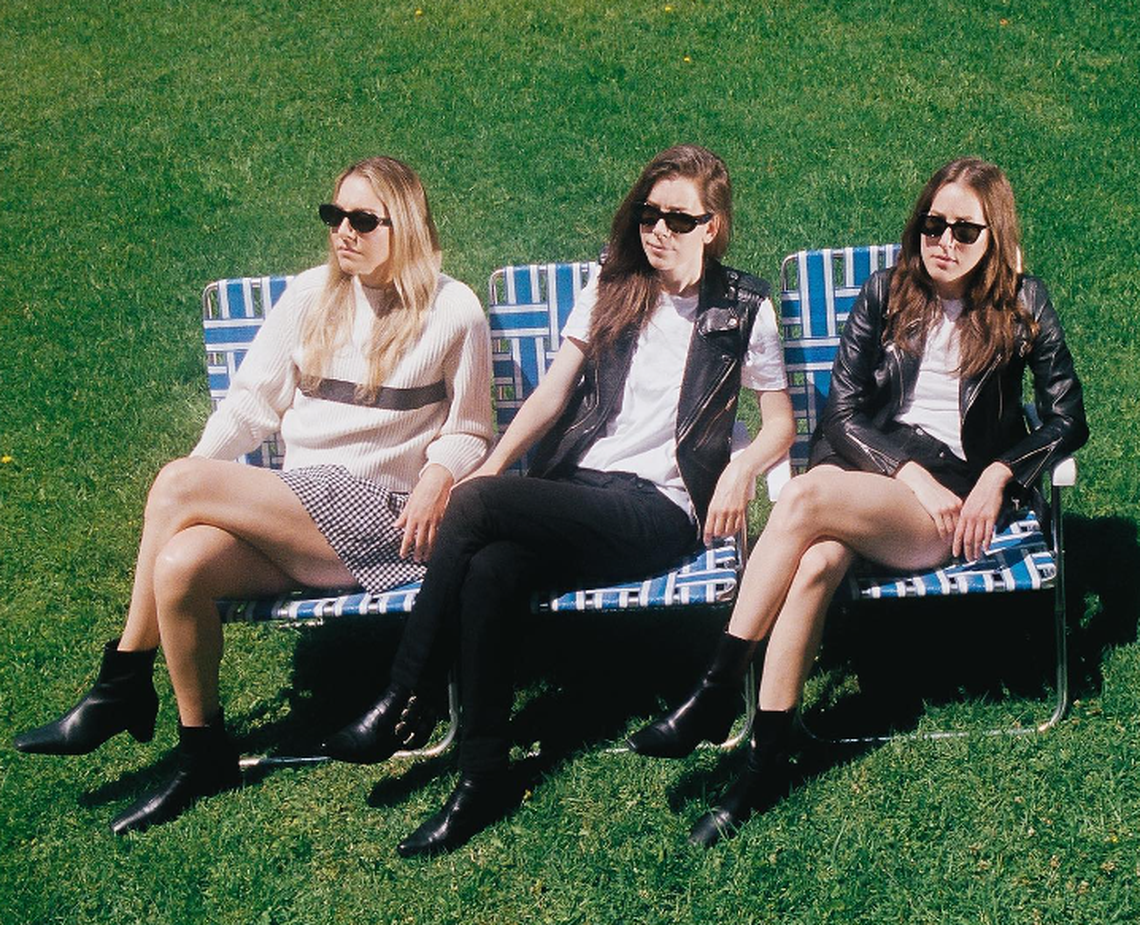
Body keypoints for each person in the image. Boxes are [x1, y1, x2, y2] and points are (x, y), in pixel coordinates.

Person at [322, 144, 796, 856]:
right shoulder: (614, 284)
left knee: (474, 507)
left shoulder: (745, 307)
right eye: (647, 213)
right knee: (490, 568)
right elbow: (550, 394)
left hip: (660, 510)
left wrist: (743, 464)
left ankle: (402, 696)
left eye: (677, 218)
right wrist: (497, 464)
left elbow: (781, 420)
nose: (658, 230)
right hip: (580, 489)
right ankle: (483, 776)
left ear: (713, 226)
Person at [13, 156, 493, 835]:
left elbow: (472, 430)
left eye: (362, 220)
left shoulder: (453, 309)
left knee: (178, 481)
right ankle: (202, 749)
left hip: (382, 521)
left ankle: (120, 684)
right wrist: (198, 492)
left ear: (406, 224)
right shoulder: (309, 295)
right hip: (299, 512)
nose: (343, 233)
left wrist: (440, 474)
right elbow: (248, 408)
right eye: (334, 217)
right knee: (180, 566)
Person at [627, 156, 1089, 846]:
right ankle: (761, 766)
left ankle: (716, 690)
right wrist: (906, 471)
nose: (945, 241)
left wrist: (998, 474)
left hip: (950, 506)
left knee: (808, 495)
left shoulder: (1025, 303)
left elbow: (1066, 418)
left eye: (965, 230)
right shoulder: (886, 292)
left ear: (994, 235)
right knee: (814, 563)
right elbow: (841, 416)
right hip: (879, 480)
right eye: (933, 224)